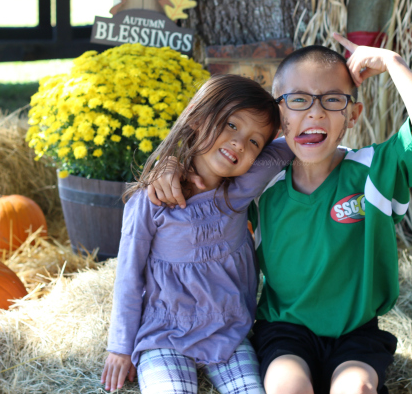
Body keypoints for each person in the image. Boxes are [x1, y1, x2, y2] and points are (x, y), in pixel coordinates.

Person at [148, 33, 412, 394]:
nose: (315, 111)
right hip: (284, 330)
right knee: (286, 387)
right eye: (298, 100)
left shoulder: (374, 172)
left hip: (356, 333)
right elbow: (204, 166)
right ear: (279, 117)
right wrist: (170, 164)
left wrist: (392, 62)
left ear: (353, 115)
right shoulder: (258, 181)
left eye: (333, 100)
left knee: (356, 389)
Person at [101, 74, 294, 394]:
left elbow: (299, 139)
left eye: (254, 142)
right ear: (196, 116)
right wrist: (120, 348)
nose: (239, 143)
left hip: (228, 333)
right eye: (232, 125)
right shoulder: (152, 201)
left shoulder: (243, 185)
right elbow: (128, 274)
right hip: (164, 334)